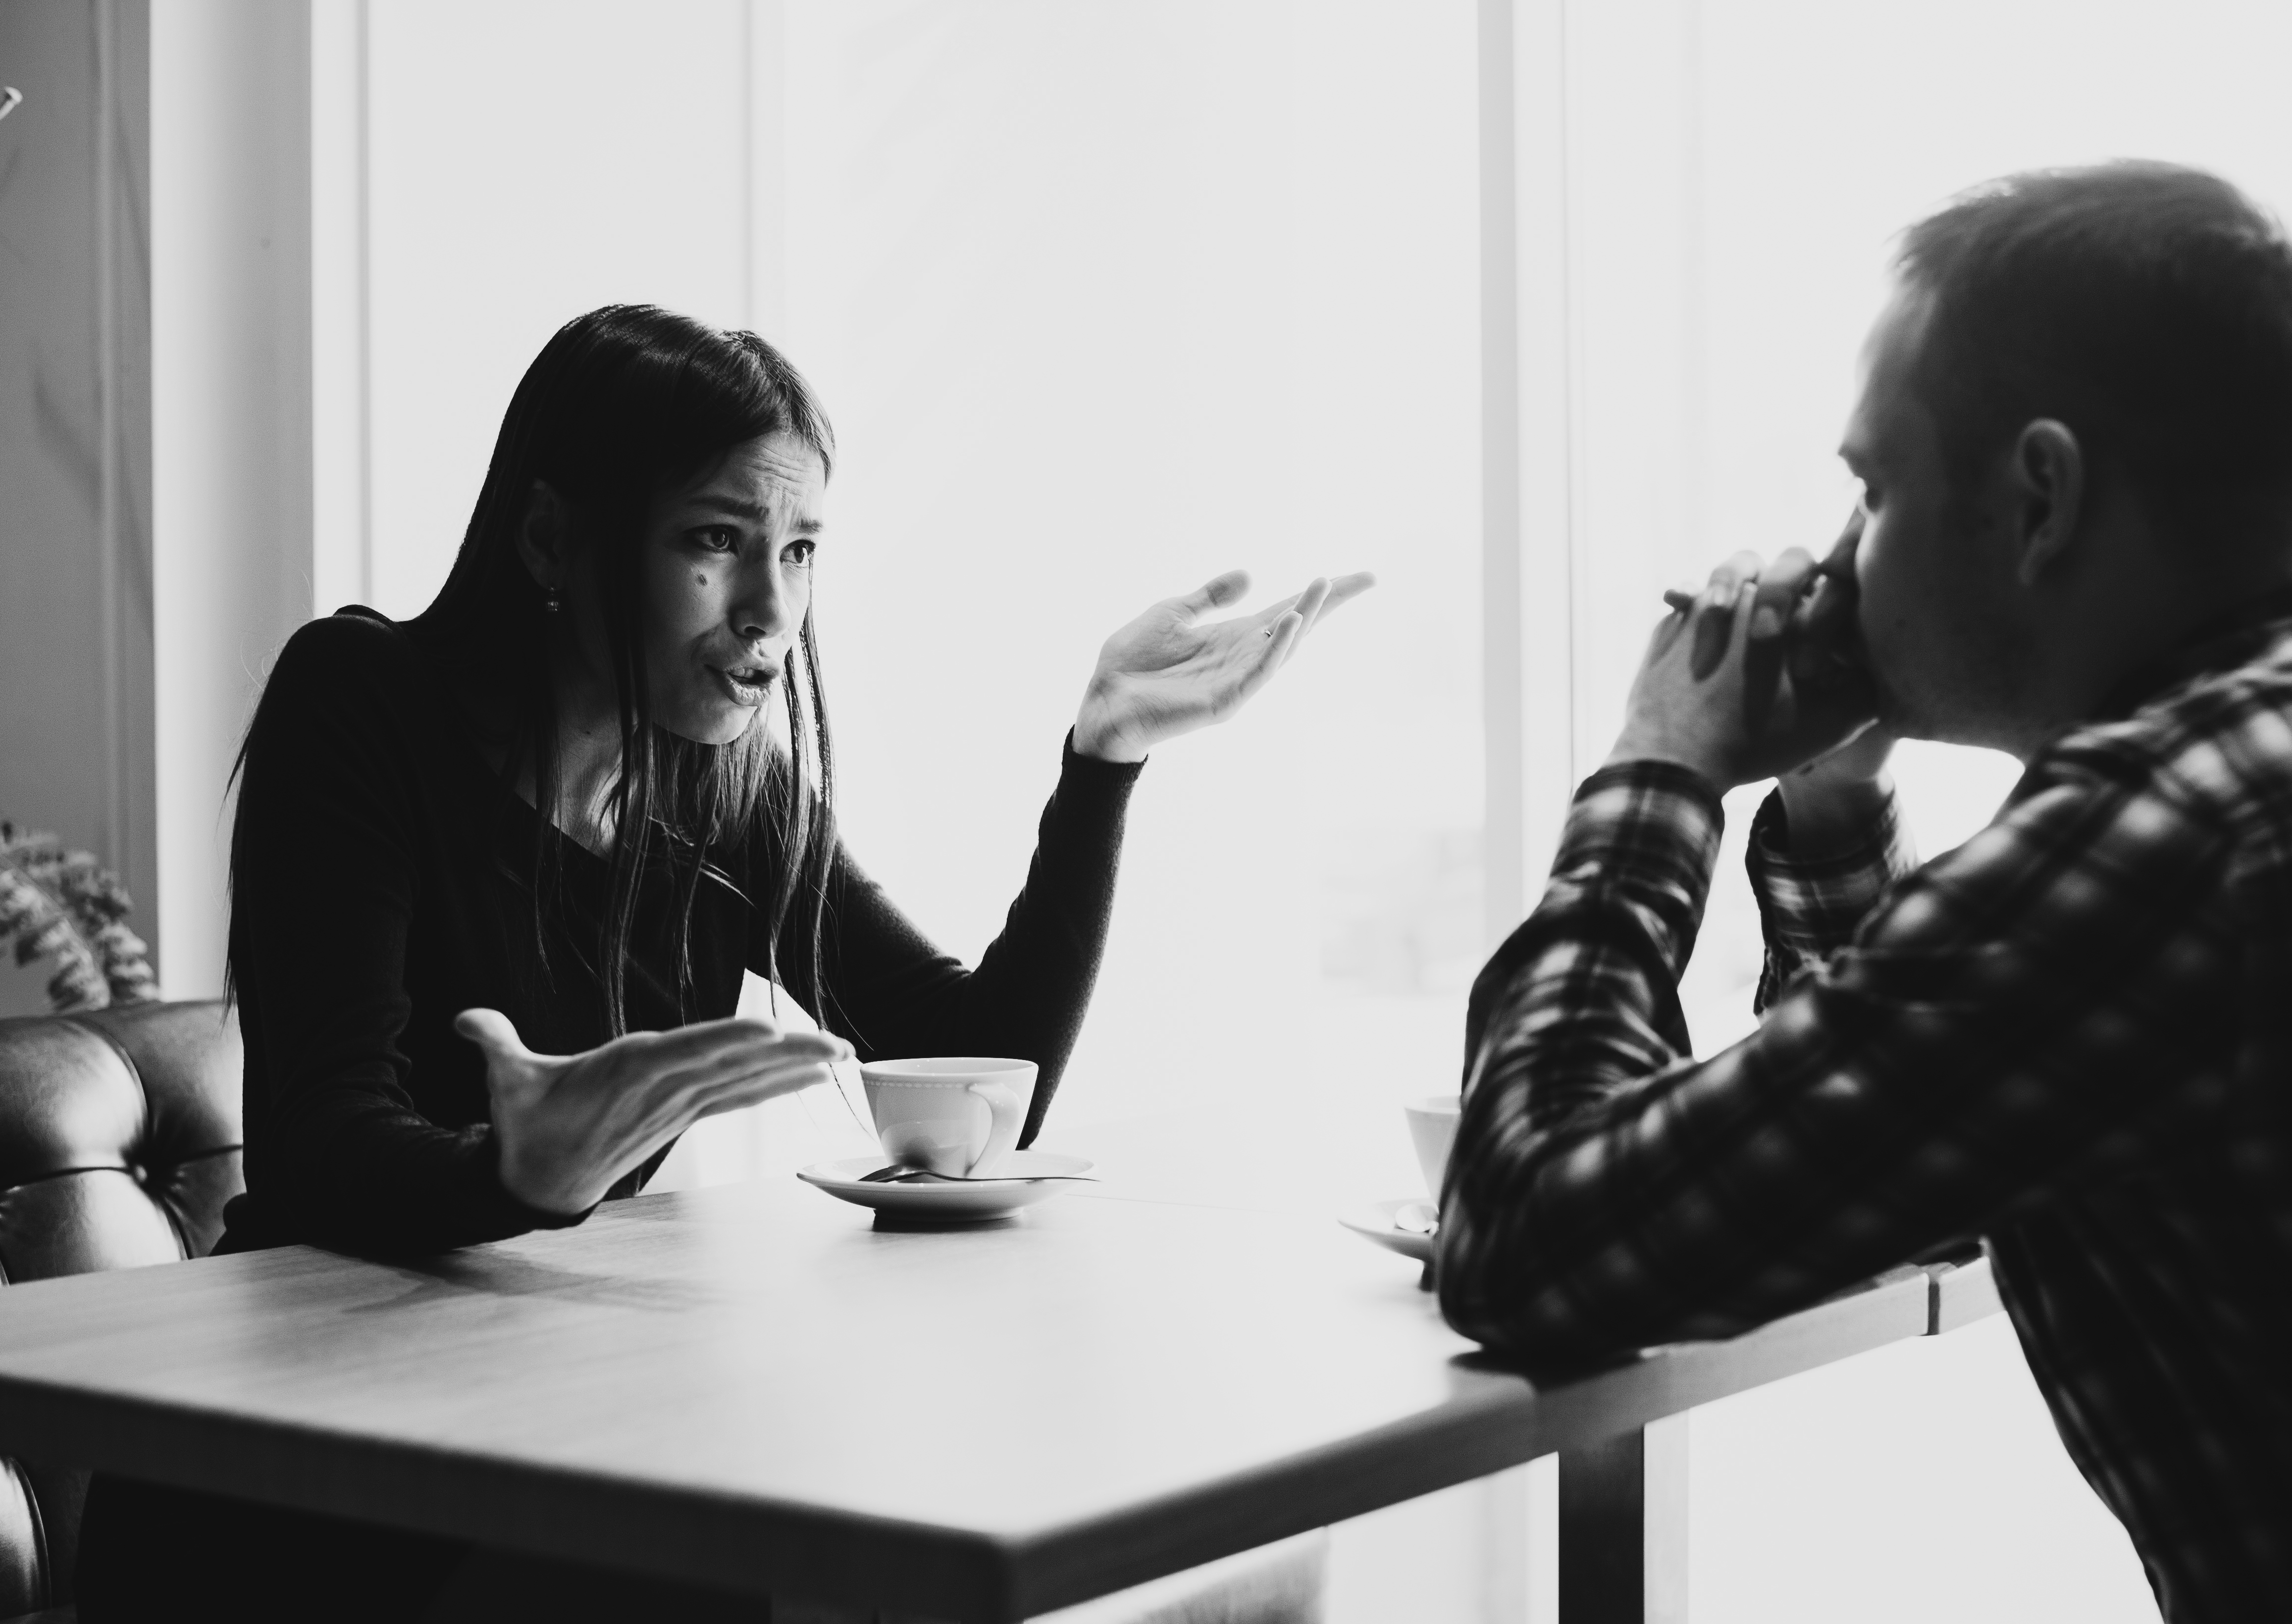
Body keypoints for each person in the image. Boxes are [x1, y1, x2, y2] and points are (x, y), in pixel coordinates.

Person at [79, 304, 1369, 1621]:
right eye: (715, 541)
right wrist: (507, 1171)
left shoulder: (725, 799)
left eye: (800, 550)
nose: (772, 609)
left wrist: (1104, 762)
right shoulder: (360, 702)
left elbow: (986, 1082)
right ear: (553, 540)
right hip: (284, 1494)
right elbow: (322, 1140)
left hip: (550, 1438)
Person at [1436, 162, 2292, 1622]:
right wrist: (1834, 805)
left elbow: (1531, 1246)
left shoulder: (2153, 853)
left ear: (2039, 498)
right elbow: (1914, 1149)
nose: (1844, 558)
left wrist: (1657, 773)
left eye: (1875, 488)